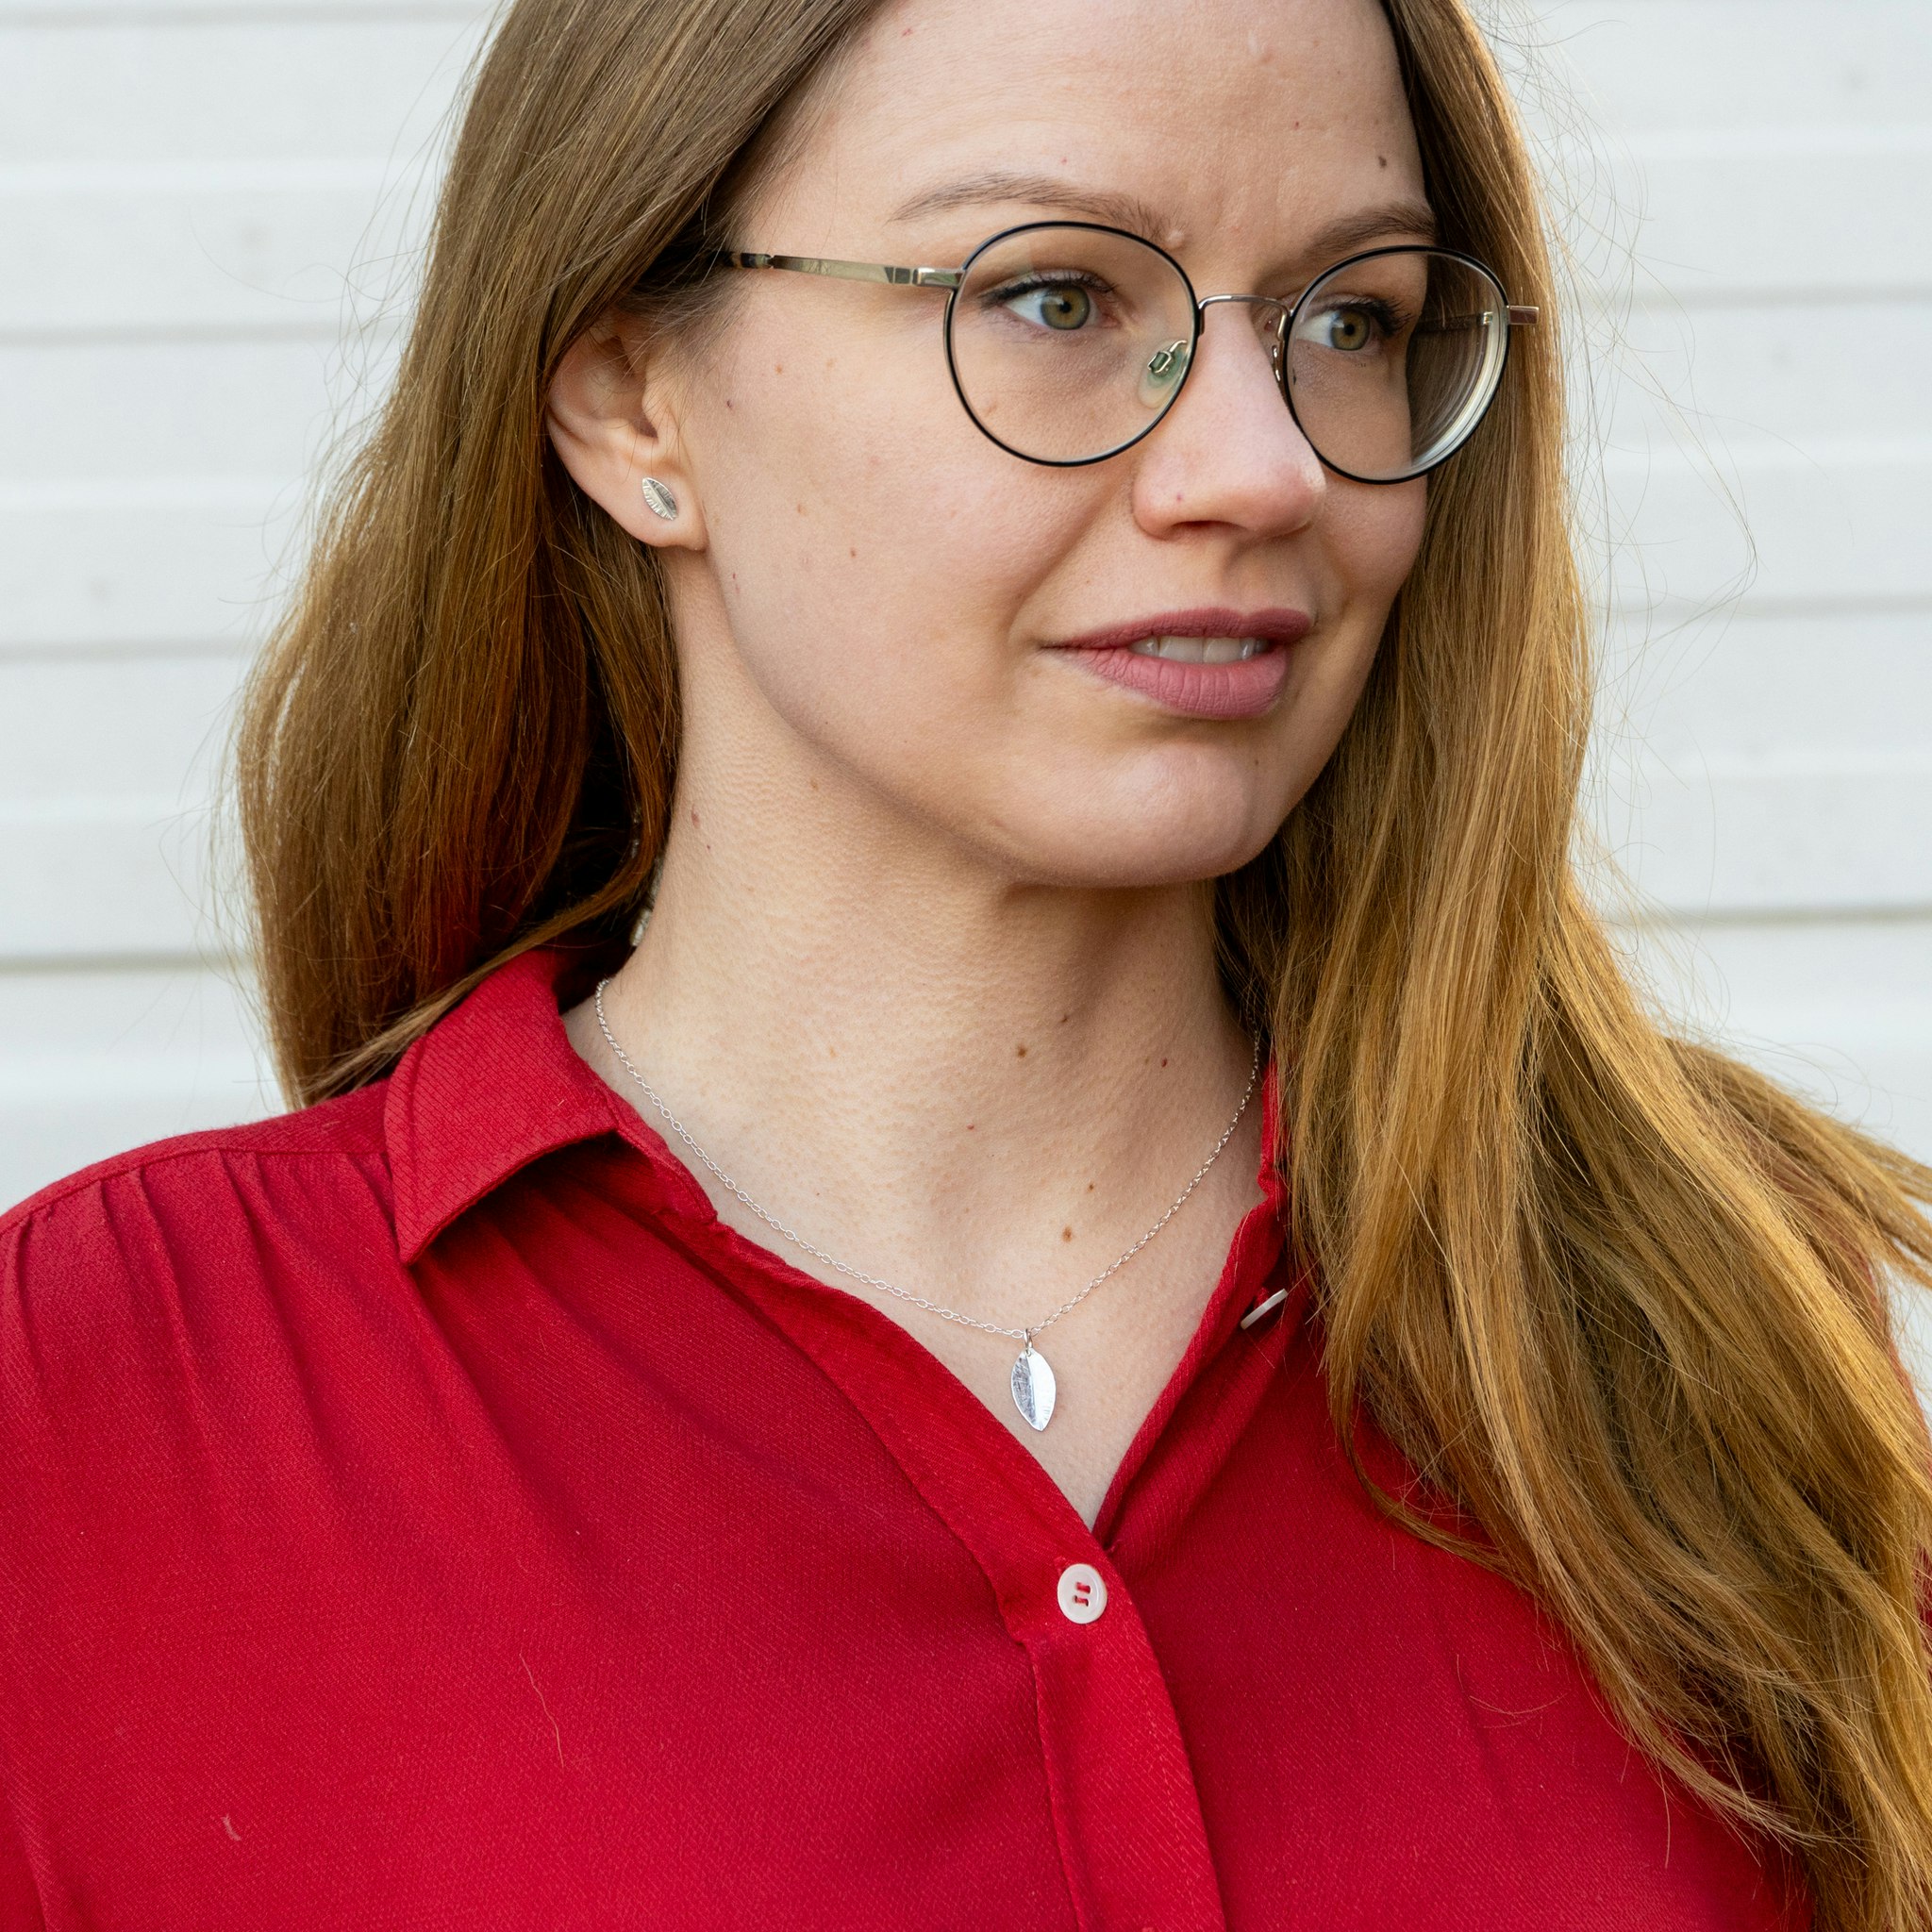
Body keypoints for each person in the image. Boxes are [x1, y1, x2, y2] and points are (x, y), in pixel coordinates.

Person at [3, 0, 1928, 1924]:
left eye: (1349, 317)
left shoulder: (1713, 1331)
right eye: (1056, 298)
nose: (1263, 471)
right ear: (629, 406)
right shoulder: (92, 1417)